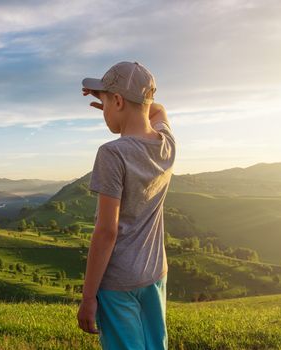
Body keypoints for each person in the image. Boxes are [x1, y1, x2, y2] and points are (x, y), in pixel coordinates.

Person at [76, 61, 176, 349]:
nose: (103, 109)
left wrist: (87, 298)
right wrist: (123, 104)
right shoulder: (166, 144)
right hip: (155, 273)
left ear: (118, 100)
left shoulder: (112, 154)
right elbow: (157, 110)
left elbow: (106, 231)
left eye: (106, 101)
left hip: (118, 282)